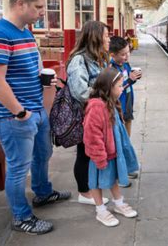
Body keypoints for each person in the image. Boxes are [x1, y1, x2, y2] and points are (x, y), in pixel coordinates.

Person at [0, 0, 71, 235]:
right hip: (13, 117)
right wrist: (20, 112)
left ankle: (43, 192)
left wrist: (45, 81)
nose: (43, 12)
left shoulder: (24, 32)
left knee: (42, 155)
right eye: (39, 7)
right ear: (20, 4)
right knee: (17, 168)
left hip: (34, 111)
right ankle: (21, 217)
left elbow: (24, 71)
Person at [83, 67, 139, 227]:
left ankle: (118, 203)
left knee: (113, 177)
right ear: (109, 87)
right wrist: (99, 157)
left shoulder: (109, 102)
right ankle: (100, 210)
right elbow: (92, 135)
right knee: (95, 182)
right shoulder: (96, 106)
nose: (123, 88)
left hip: (112, 151)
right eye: (120, 86)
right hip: (100, 154)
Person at [66, 20, 110, 205]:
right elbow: (80, 91)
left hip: (97, 114)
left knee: (91, 152)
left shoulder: (97, 58)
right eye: (106, 36)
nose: (109, 39)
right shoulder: (79, 60)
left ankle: (90, 190)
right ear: (96, 37)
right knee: (84, 154)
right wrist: (103, 92)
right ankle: (84, 193)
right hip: (86, 116)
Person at [109, 36, 141, 182]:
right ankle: (122, 172)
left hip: (127, 107)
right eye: (122, 54)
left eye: (128, 52)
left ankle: (126, 167)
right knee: (119, 141)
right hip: (118, 109)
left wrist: (132, 79)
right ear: (112, 55)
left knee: (126, 139)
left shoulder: (125, 65)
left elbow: (127, 85)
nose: (126, 56)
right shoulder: (111, 69)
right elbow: (117, 90)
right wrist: (130, 80)